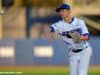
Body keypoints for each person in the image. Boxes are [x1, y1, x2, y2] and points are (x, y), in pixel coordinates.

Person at [44, 3, 92, 75]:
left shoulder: (79, 22)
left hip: (84, 51)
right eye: (60, 11)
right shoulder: (60, 25)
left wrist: (78, 37)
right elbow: (49, 28)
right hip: (73, 53)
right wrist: (49, 34)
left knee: (82, 73)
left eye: (63, 10)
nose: (61, 12)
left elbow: (86, 37)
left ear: (69, 11)